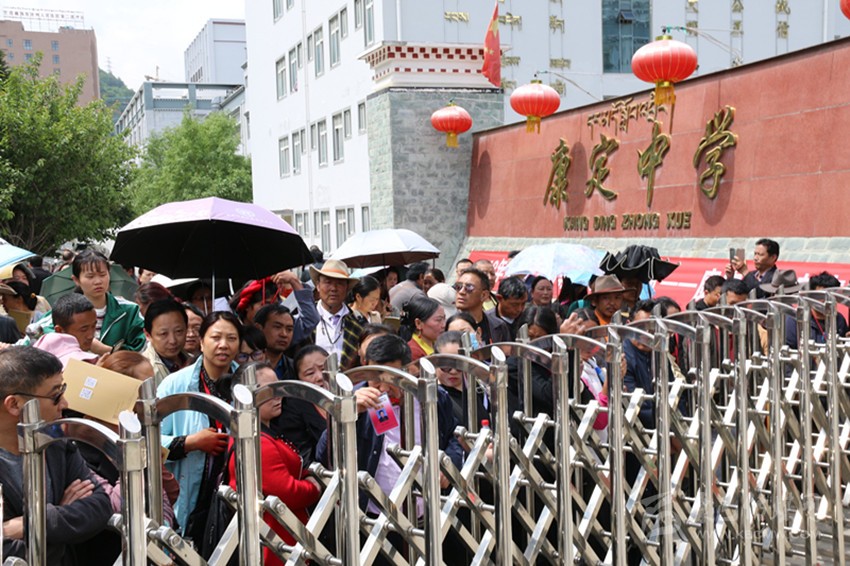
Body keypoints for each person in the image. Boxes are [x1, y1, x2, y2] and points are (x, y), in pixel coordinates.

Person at [0, 347, 112, 564]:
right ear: (14, 404)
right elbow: (7, 554)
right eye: (55, 396)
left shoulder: (56, 443)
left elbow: (100, 506)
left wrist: (34, 522)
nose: (65, 404)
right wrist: (61, 520)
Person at [75, 351, 177, 564]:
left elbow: (169, 492)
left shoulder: (144, 436)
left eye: (153, 390)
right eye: (143, 391)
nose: (153, 400)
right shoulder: (79, 442)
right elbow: (113, 507)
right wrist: (132, 456)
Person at [156, 311, 242, 536]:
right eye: (216, 337)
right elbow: (151, 441)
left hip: (234, 492)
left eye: (231, 338)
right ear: (201, 342)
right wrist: (190, 442)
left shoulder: (247, 383)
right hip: (188, 493)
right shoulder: (175, 384)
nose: (223, 345)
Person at [228, 363, 321, 565]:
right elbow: (289, 492)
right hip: (274, 544)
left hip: (282, 538)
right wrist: (314, 486)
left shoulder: (262, 434)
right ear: (245, 395)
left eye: (278, 388)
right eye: (269, 390)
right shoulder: (257, 442)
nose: (278, 396)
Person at [30, 250, 146, 353]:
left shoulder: (130, 311)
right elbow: (34, 333)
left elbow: (142, 350)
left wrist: (105, 350)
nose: (98, 281)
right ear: (76, 280)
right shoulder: (64, 311)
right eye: (90, 276)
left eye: (102, 275)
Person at [271, 345, 329, 465]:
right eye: (310, 373)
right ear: (298, 379)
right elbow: (304, 460)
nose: (319, 377)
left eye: (324, 369)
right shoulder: (291, 410)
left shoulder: (351, 397)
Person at [310, 259, 362, 368]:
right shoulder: (307, 319)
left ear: (347, 288)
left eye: (340, 283)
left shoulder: (358, 323)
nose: (333, 288)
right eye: (328, 282)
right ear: (318, 286)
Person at [454, 267, 510, 345]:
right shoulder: (448, 326)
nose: (461, 292)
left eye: (469, 287)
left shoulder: (499, 326)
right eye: (458, 286)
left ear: (484, 295)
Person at [142, 300, 191, 385]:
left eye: (178, 331)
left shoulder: (194, 361)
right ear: (148, 335)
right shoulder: (144, 372)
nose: (173, 341)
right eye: (163, 334)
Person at [255, 303, 296, 380]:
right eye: (277, 327)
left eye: (289, 329)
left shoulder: (296, 368)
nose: (284, 334)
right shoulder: (244, 365)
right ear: (259, 328)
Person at [400, 295, 446, 362]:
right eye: (438, 320)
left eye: (444, 319)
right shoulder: (413, 353)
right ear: (418, 323)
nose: (444, 325)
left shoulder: (438, 345)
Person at [434, 331, 464, 424]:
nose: (453, 371)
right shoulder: (434, 397)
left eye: (459, 364)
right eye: (446, 365)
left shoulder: (480, 389)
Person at [491, 276, 527, 341]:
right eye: (514, 305)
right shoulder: (488, 321)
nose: (519, 309)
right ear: (499, 299)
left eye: (523, 304)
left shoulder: (527, 318)